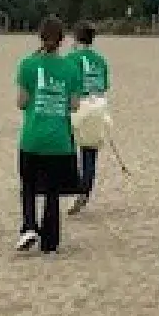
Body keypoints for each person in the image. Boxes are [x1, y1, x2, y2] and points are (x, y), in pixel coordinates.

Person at [15, 16, 83, 255]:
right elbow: (74, 105)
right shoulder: (71, 68)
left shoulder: (27, 65)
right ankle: (50, 241)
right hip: (59, 139)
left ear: (40, 36)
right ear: (62, 40)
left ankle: (29, 226)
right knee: (52, 191)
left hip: (32, 136)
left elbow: (21, 103)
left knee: (28, 186)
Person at [68, 21, 111, 215]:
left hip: (80, 105)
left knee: (69, 146)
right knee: (90, 152)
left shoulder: (72, 58)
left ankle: (71, 185)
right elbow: (105, 85)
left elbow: (67, 84)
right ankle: (85, 189)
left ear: (76, 38)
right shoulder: (100, 59)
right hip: (98, 105)